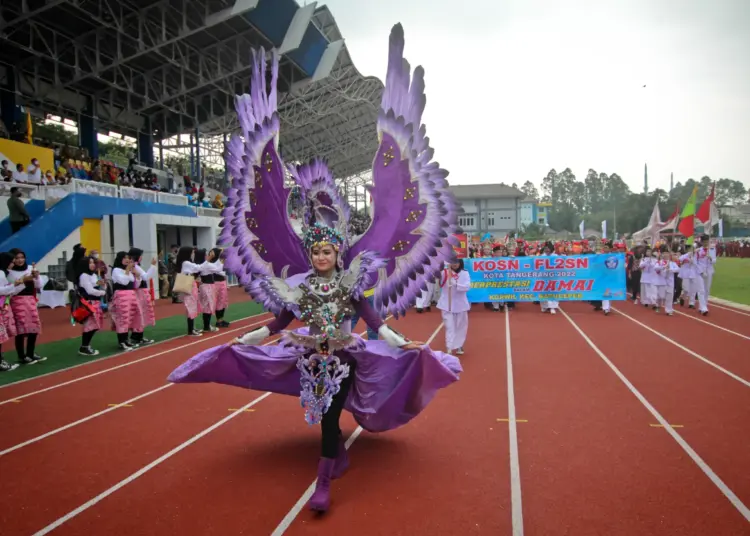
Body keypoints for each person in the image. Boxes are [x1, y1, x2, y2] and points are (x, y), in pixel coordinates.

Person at [167, 24, 462, 516]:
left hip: (343, 355)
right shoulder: (298, 287)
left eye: (328, 253)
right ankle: (337, 454)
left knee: (328, 417)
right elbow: (278, 324)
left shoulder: (351, 283)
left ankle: (324, 482)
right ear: (312, 255)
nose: (323, 258)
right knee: (323, 414)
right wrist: (241, 343)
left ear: (337, 254)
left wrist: (401, 343)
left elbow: (373, 321)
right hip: (308, 358)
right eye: (318, 253)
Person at [437, 258, 470, 354]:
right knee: (449, 326)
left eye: (457, 262)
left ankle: (459, 345)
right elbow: (439, 278)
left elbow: (467, 287)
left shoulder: (465, 273)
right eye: (453, 262)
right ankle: (449, 347)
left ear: (460, 263)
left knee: (460, 326)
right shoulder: (445, 272)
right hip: (447, 304)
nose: (455, 264)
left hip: (461, 305)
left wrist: (456, 284)